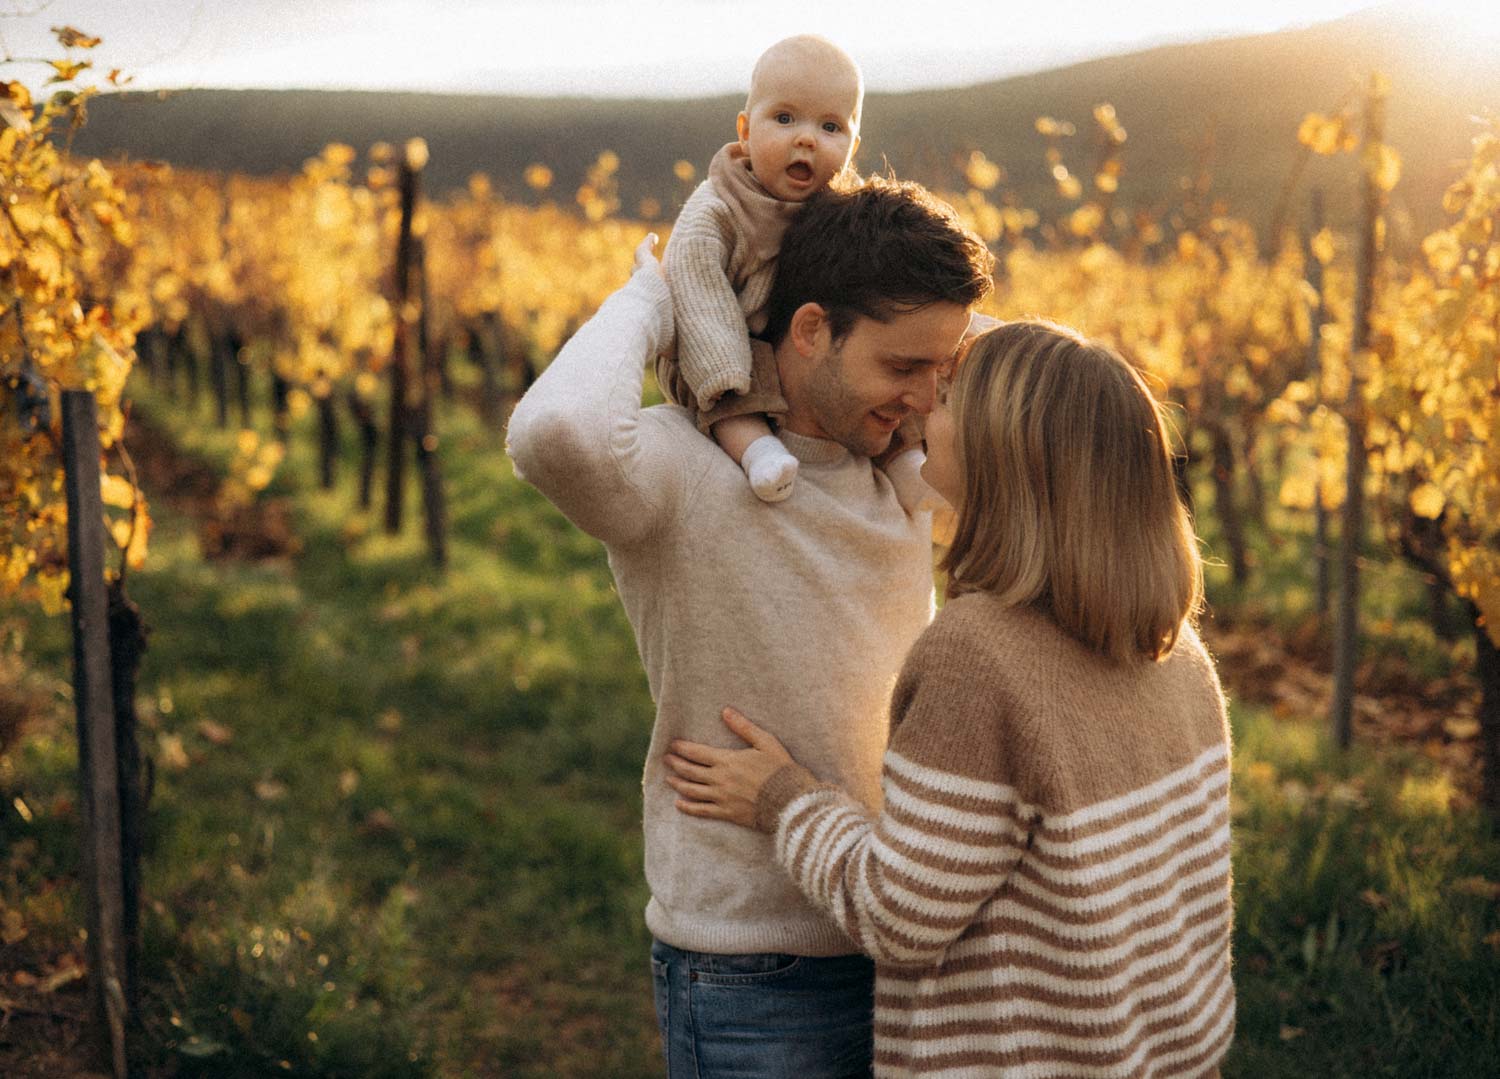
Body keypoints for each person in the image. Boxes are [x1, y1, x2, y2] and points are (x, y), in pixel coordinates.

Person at [505, 177, 994, 1076]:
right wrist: (663, 294)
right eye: (902, 367)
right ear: (809, 330)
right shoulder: (683, 469)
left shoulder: (895, 466)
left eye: (945, 370)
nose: (928, 398)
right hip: (754, 968)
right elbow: (554, 433)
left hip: (902, 937)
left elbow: (1057, 398)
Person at [665, 320, 1236, 1078]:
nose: (926, 402)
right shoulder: (1178, 654)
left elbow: (899, 914)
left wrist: (785, 797)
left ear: (1008, 449)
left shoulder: (979, 657)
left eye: (953, 395)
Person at [661, 33, 935, 510]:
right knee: (735, 386)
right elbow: (697, 288)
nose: (806, 138)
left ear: (853, 145)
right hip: (718, 344)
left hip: (794, 344)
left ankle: (905, 461)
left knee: (891, 370)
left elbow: (895, 275)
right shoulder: (720, 209)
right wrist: (726, 366)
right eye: (784, 118)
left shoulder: (841, 207)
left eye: (831, 127)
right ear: (745, 131)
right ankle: (754, 450)